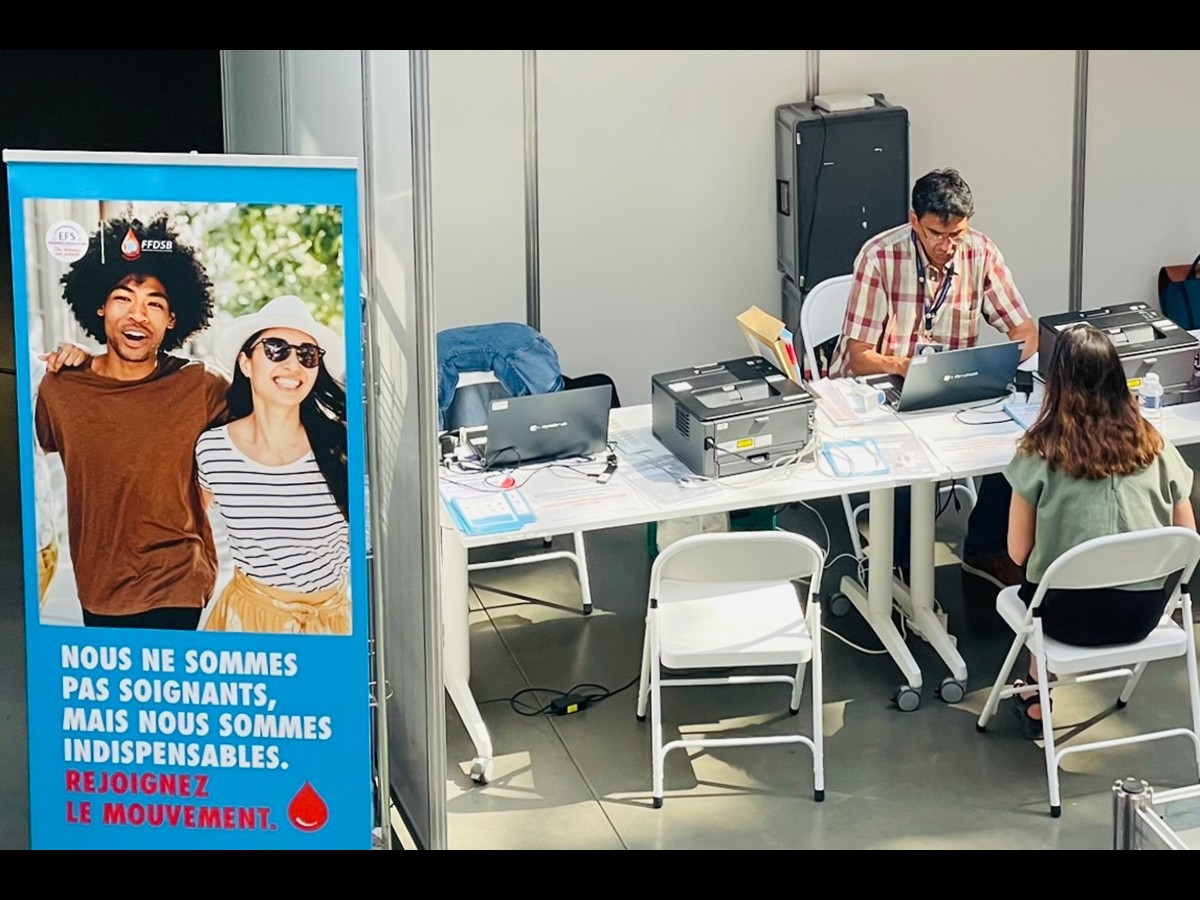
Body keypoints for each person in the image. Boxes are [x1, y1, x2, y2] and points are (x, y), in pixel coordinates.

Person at [828, 168, 1039, 587]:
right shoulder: (880, 257)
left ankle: (985, 549)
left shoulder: (980, 252)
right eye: (935, 234)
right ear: (913, 220)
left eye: (956, 234)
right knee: (907, 461)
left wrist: (1000, 360)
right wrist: (907, 366)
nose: (946, 247)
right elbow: (858, 359)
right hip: (885, 385)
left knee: (1020, 445)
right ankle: (899, 566)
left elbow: (1024, 330)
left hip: (954, 386)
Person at [1004, 325, 1197, 736]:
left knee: (1038, 586)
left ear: (1055, 383)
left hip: (1063, 619)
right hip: (1141, 615)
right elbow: (1187, 542)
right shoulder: (1157, 447)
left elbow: (1018, 552)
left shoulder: (1039, 452)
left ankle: (1038, 698)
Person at [34, 216, 226, 629]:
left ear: (173, 318)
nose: (138, 315)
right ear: (100, 306)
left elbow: (264, 423)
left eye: (155, 304)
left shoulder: (200, 385)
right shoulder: (59, 389)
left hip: (178, 580)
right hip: (99, 585)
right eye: (123, 299)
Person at [195, 295, 350, 635]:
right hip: (246, 626)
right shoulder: (213, 450)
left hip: (331, 627)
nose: (293, 365)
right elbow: (185, 529)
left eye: (307, 355)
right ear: (246, 363)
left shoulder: (343, 447)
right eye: (276, 348)